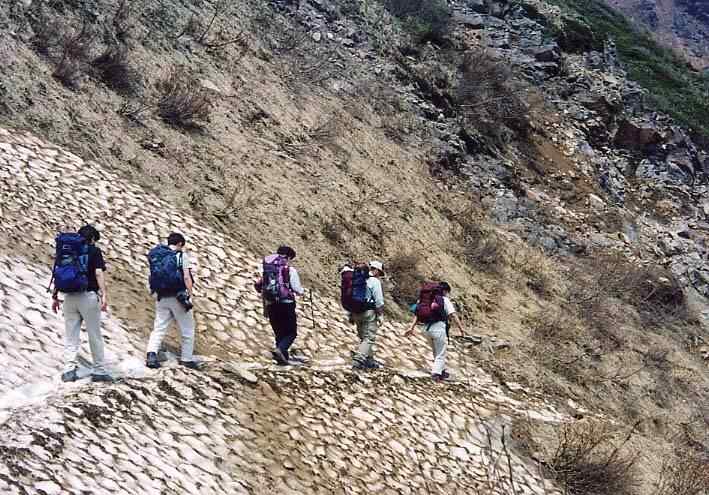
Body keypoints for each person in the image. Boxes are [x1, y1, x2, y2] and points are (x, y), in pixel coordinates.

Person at [51, 224, 112, 383]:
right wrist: (104, 295)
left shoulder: (68, 250)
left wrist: (55, 296)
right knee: (94, 335)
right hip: (88, 297)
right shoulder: (94, 251)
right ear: (92, 239)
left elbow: (59, 272)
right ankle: (99, 370)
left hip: (69, 297)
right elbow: (98, 273)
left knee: (71, 336)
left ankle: (69, 370)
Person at [145, 232, 199, 370]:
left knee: (159, 327)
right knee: (188, 329)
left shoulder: (159, 255)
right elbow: (186, 277)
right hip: (178, 297)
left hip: (162, 296)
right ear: (180, 243)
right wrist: (190, 294)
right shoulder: (180, 256)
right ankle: (186, 359)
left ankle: (151, 355)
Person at [404, 281, 465, 382]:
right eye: (447, 292)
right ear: (444, 291)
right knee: (441, 352)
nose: (447, 294)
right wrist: (461, 329)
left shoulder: (424, 300)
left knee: (436, 351)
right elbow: (453, 315)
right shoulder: (444, 300)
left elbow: (418, 314)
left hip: (426, 329)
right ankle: (436, 374)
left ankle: (442, 371)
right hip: (438, 328)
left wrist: (411, 327)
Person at [261, 245, 305, 365]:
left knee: (279, 332)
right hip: (286, 304)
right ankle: (280, 350)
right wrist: (302, 291)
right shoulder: (289, 270)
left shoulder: (268, 269)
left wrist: (265, 308)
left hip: (271, 304)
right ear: (288, 257)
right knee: (291, 332)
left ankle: (282, 358)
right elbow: (296, 288)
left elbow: (261, 287)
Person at [352, 260, 385, 370]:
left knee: (363, 337)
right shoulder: (375, 281)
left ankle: (369, 360)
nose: (379, 275)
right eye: (380, 273)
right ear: (376, 270)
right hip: (368, 313)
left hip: (355, 311)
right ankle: (357, 361)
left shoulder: (357, 278)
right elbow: (379, 301)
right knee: (369, 338)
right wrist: (380, 315)